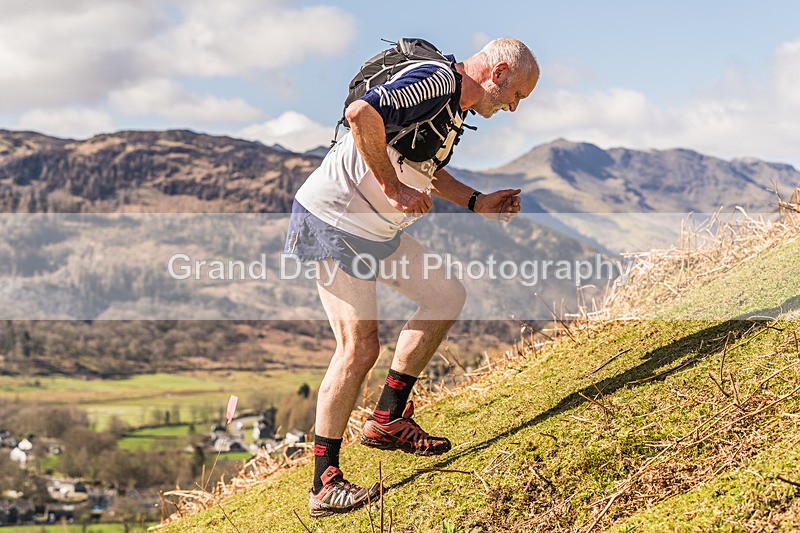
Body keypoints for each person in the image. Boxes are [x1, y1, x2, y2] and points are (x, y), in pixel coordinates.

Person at [284, 37, 539, 518]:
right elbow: (363, 116)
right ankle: (324, 482)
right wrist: (391, 186)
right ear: (499, 72)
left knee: (445, 295)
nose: (512, 107)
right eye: (516, 95)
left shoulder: (453, 106)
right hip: (335, 222)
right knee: (358, 348)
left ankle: (387, 419)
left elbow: (424, 169)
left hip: (374, 228)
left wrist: (476, 202)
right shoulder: (437, 82)